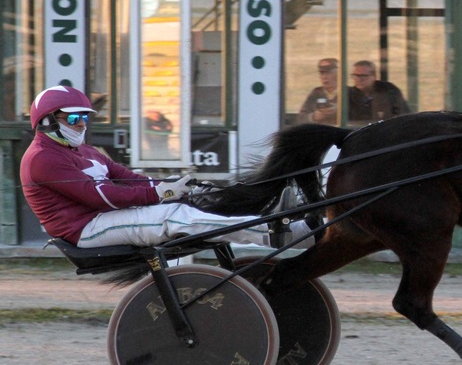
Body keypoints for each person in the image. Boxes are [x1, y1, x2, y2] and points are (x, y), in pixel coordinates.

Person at [19, 85, 318, 249]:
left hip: (104, 217)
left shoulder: (81, 149)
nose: (82, 123)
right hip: (85, 229)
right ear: (46, 120)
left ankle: (291, 230)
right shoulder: (42, 159)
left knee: (195, 203)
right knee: (174, 217)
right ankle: (274, 233)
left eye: (84, 116)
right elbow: (100, 196)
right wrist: (160, 195)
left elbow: (124, 177)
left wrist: (167, 185)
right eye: (73, 118)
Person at [348, 60, 411, 124]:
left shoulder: (388, 91)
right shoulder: (348, 95)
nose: (359, 79)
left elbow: (404, 116)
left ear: (374, 76)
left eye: (363, 76)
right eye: (355, 75)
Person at [298, 58, 340, 125]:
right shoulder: (316, 93)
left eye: (328, 73)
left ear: (338, 74)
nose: (324, 77)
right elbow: (301, 118)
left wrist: (339, 111)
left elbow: (358, 118)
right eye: (322, 73)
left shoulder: (348, 93)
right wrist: (314, 117)